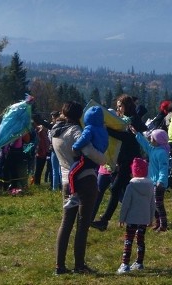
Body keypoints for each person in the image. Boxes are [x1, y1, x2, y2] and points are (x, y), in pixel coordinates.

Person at [52, 101, 107, 275]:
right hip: (84, 179)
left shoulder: (55, 132)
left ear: (63, 112)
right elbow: (89, 151)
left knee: (66, 223)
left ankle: (59, 266)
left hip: (66, 180)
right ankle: (79, 265)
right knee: (83, 225)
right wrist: (105, 159)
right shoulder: (76, 132)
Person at [92, 94, 144, 231]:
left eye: (120, 105)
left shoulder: (133, 119)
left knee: (116, 189)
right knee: (124, 189)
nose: (118, 108)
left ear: (127, 105)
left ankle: (104, 221)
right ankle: (142, 216)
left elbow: (127, 138)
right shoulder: (124, 119)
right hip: (122, 158)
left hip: (129, 159)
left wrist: (108, 130)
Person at [116, 157, 156, 274]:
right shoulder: (150, 186)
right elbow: (152, 204)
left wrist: (121, 218)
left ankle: (125, 264)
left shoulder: (131, 186)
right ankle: (139, 262)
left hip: (132, 218)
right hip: (144, 219)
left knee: (128, 240)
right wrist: (150, 219)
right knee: (140, 240)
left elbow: (126, 204)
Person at [64, 106, 108, 209]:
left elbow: (84, 139)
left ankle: (74, 196)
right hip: (96, 158)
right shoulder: (103, 130)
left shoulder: (89, 128)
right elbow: (106, 144)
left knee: (72, 173)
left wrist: (75, 147)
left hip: (86, 158)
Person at [136, 129, 169, 231]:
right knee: (153, 204)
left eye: (151, 138)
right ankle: (158, 222)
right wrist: (137, 134)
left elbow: (163, 168)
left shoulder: (162, 153)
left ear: (157, 140)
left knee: (158, 204)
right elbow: (145, 144)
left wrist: (161, 181)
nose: (150, 140)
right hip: (152, 182)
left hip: (159, 183)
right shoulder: (152, 149)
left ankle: (163, 225)